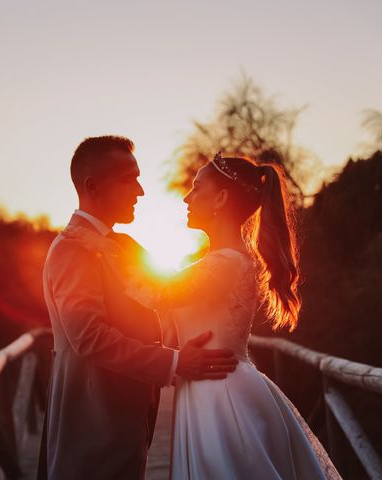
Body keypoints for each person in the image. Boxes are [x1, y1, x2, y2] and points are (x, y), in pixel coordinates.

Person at [65, 152, 342, 479]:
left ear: (221, 199)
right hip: (212, 388)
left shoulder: (226, 263)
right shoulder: (226, 260)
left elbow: (155, 293)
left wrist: (98, 242)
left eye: (197, 188)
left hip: (222, 397)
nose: (187, 197)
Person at [37, 137, 238, 480]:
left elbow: (167, 295)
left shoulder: (124, 246)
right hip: (93, 430)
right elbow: (89, 337)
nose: (141, 191)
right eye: (129, 179)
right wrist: (175, 362)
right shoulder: (71, 250)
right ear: (92, 186)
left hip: (126, 424)